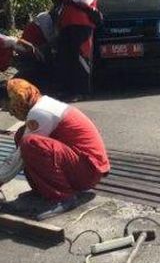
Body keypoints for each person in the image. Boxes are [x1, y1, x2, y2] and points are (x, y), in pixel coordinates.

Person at [2, 78, 110, 219]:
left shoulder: (40, 113)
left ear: (17, 99)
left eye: (7, 106)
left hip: (88, 172)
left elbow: (20, 156)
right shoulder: (41, 104)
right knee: (21, 135)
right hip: (83, 165)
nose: (9, 113)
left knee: (30, 143)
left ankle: (63, 198)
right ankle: (43, 191)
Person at [43, 0, 99, 101]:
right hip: (65, 24)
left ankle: (81, 91)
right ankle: (66, 90)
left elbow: (85, 0)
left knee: (81, 57)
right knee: (65, 57)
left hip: (83, 24)